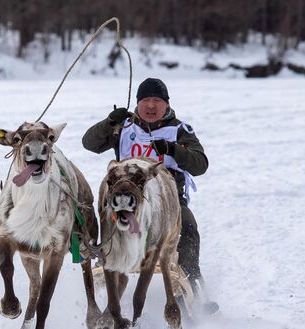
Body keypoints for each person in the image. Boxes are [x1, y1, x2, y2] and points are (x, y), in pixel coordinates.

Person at [82, 78, 216, 310]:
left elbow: (200, 164)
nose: (151, 106)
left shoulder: (179, 130)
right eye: (146, 100)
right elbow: (89, 143)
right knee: (100, 216)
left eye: (157, 101)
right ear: (137, 103)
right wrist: (109, 122)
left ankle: (192, 286)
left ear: (166, 104)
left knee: (189, 228)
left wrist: (173, 150)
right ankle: (102, 260)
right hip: (126, 197)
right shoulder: (123, 127)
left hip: (168, 201)